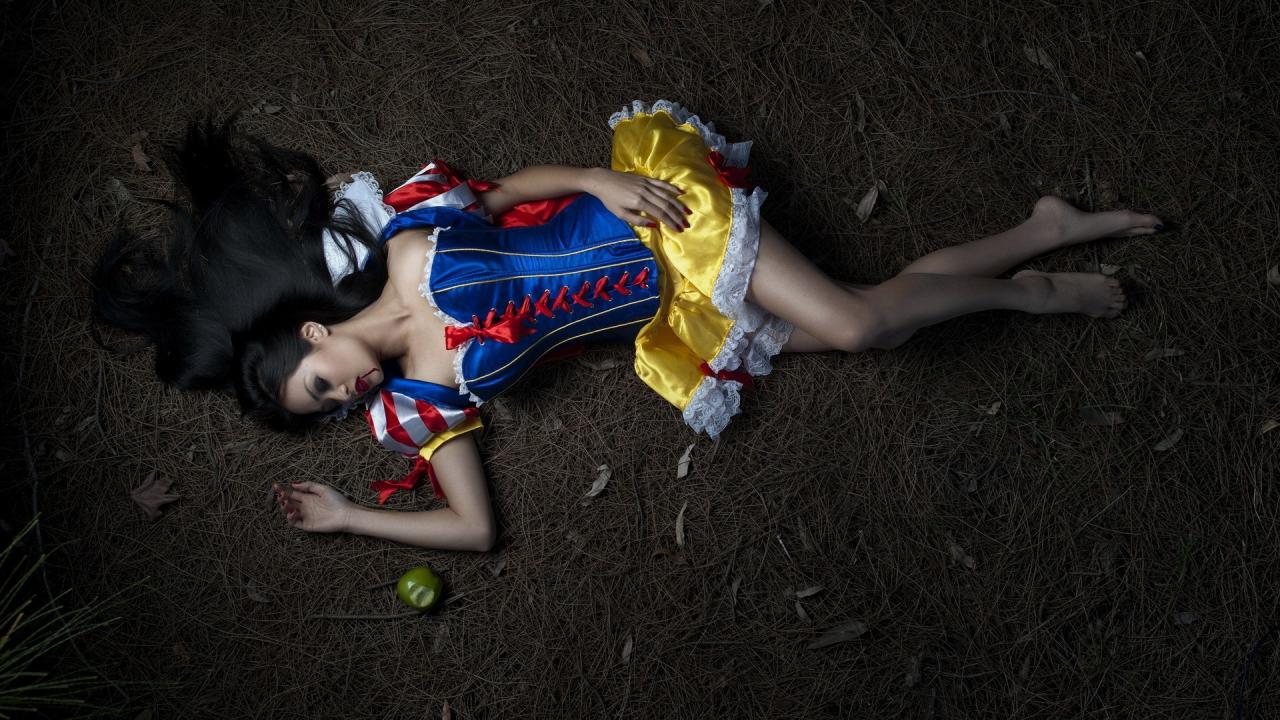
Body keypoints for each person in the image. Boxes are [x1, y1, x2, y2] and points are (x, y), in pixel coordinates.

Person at [92, 100, 1164, 552]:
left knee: (856, 325)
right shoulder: (422, 402)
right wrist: (349, 518)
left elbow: (508, 193)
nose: (347, 397)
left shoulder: (409, 237)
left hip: (661, 226)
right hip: (666, 314)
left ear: (315, 336)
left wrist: (600, 178)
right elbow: (475, 530)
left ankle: (1033, 290)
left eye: (322, 382)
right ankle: (1038, 234)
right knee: (870, 310)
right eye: (327, 411)